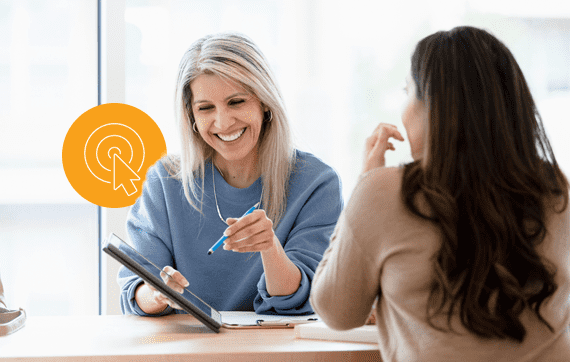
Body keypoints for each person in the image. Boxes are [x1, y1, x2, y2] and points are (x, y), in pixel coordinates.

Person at [310, 26, 570, 361]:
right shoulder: (554, 189)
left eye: (408, 91)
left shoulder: (384, 191)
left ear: (434, 105)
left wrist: (365, 182)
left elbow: (337, 312)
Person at [118, 32, 343, 316]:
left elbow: (299, 299)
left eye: (236, 102)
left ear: (264, 102)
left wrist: (270, 247)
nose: (223, 122)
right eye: (205, 108)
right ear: (191, 117)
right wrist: (157, 292)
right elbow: (135, 291)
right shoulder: (164, 182)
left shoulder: (316, 184)